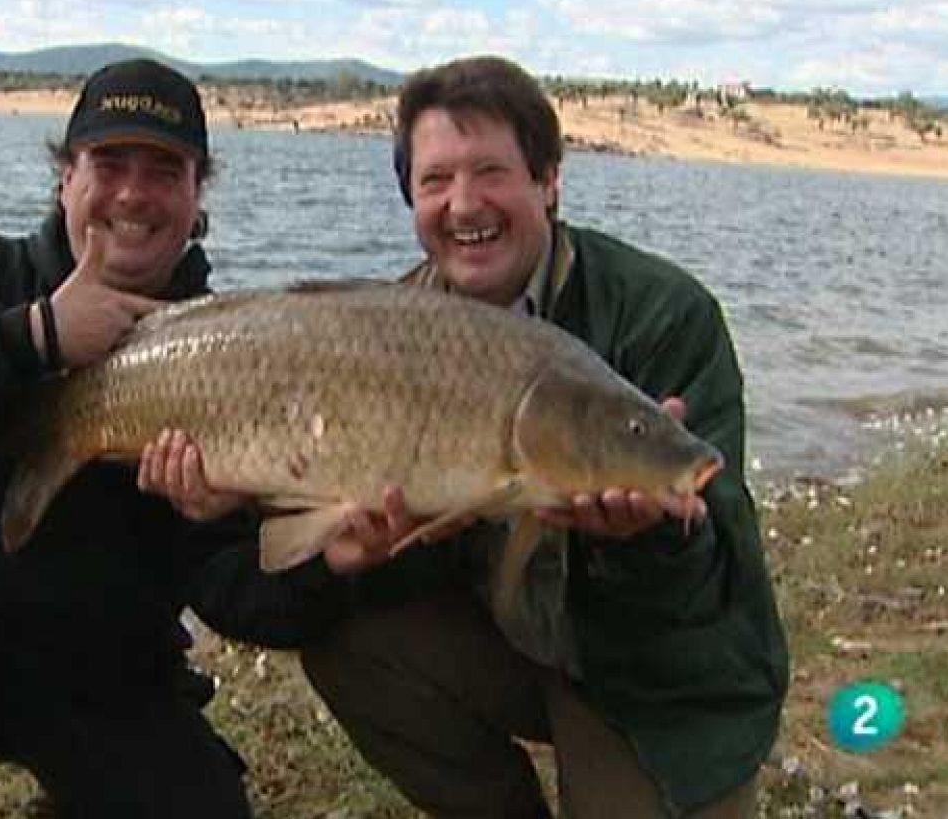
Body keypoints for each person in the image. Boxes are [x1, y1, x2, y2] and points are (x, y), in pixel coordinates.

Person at [143, 55, 788, 818]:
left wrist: (647, 541)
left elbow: (719, 573)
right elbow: (285, 564)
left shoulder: (662, 315)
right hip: (509, 640)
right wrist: (307, 541)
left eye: (491, 171)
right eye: (435, 181)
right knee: (353, 642)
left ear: (548, 178)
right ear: (411, 200)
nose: (464, 203)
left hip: (662, 673)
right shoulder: (397, 324)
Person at [0, 58, 350, 819]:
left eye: (165, 170)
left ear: (196, 194)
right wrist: (32, 334)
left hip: (113, 687)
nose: (133, 194)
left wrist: (327, 558)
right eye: (108, 164)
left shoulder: (230, 347)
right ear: (65, 178)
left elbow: (244, 601)